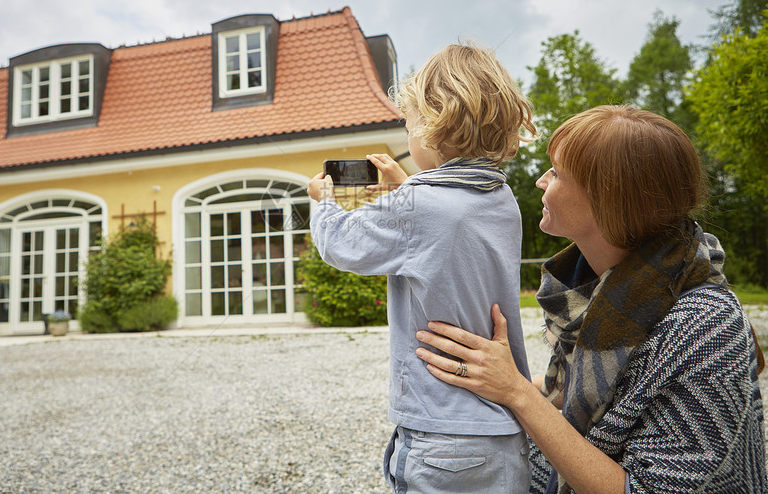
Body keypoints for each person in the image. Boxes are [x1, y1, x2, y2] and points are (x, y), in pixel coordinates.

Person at [415, 105, 767, 493]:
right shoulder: (593, 290)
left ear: (609, 199)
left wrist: (514, 391)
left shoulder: (706, 326)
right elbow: (580, 396)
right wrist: (493, 375)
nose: (540, 181)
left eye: (557, 173)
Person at [307, 42, 538, 493]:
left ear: (433, 124)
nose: (408, 134)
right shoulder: (499, 199)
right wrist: (406, 187)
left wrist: (324, 203)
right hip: (503, 430)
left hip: (442, 435)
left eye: (409, 122)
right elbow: (447, 227)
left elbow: (340, 245)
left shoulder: (418, 207)